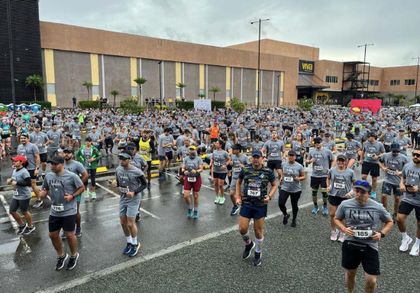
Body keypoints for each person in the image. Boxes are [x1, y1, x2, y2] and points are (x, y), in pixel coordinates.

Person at [334, 180, 393, 293]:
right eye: (357, 190)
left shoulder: (378, 207)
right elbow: (336, 219)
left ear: (369, 193)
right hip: (350, 244)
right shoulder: (345, 204)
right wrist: (344, 229)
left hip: (369, 245)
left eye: (362, 192)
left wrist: (382, 233)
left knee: (371, 280)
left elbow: (389, 221)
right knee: (350, 274)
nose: (359, 194)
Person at [39, 156, 85, 271]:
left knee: (69, 235)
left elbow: (81, 187)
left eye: (54, 164)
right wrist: (42, 192)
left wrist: (72, 196)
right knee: (52, 235)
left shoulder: (71, 176)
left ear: (61, 164)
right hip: (54, 210)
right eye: (51, 164)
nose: (52, 166)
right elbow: (44, 188)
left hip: (69, 210)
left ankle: (74, 255)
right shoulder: (49, 176)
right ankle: (61, 256)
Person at [235, 150, 277, 266]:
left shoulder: (268, 171)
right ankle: (249, 244)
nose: (256, 159)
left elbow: (274, 184)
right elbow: (238, 182)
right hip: (247, 203)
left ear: (262, 158)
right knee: (242, 229)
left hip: (260, 205)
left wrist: (270, 196)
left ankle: (258, 252)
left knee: (258, 231)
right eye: (254, 157)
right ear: (251, 158)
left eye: (258, 157)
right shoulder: (246, 169)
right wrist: (238, 196)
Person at [112, 151, 147, 257]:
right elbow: (119, 182)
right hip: (123, 197)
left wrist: (134, 192)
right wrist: (115, 183)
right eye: (120, 159)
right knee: (123, 222)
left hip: (134, 198)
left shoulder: (137, 171)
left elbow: (144, 184)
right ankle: (129, 242)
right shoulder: (118, 169)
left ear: (129, 160)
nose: (121, 161)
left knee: (130, 223)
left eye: (124, 159)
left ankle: (135, 243)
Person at [396, 147, 420, 256]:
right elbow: (403, 177)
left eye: (418, 155)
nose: (415, 157)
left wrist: (418, 189)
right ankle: (405, 238)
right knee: (399, 219)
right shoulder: (407, 165)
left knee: (419, 224)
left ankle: (417, 244)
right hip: (408, 198)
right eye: (414, 154)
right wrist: (401, 184)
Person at [327, 154, 356, 242]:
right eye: (339, 160)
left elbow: (355, 183)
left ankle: (342, 232)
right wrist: (328, 186)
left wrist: (352, 192)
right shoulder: (332, 170)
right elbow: (328, 178)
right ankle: (333, 231)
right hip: (333, 195)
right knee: (332, 214)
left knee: (342, 216)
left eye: (342, 161)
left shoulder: (350, 172)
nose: (340, 162)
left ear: (346, 162)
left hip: (344, 197)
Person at [379, 143, 409, 219]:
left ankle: (395, 213)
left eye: (397, 151)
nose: (395, 153)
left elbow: (409, 169)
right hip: (387, 179)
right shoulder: (386, 155)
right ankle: (385, 212)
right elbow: (379, 161)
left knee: (397, 198)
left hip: (398, 181)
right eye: (394, 151)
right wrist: (383, 167)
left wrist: (401, 172)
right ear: (391, 150)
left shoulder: (404, 158)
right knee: (383, 196)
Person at [63, 147, 89, 237]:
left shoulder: (77, 164)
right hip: (64, 191)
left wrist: (78, 186)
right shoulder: (61, 164)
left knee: (75, 211)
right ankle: (66, 228)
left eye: (68, 152)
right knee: (64, 211)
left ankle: (78, 228)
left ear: (72, 154)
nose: (66, 154)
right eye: (65, 152)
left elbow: (85, 175)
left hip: (75, 192)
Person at [7, 155, 36, 235]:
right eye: (13, 161)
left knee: (24, 212)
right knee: (12, 211)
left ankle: (31, 226)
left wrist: (17, 183)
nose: (13, 162)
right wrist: (10, 180)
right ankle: (22, 225)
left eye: (15, 161)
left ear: (21, 162)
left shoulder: (24, 172)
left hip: (24, 195)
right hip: (16, 194)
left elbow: (28, 183)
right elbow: (13, 179)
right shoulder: (15, 170)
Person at [306, 136, 335, 215]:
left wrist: (331, 168)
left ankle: (325, 206)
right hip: (314, 175)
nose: (317, 144)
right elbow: (307, 161)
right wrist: (309, 161)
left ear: (321, 143)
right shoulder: (311, 151)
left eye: (318, 143)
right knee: (314, 192)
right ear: (314, 144)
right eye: (315, 143)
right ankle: (315, 206)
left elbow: (333, 159)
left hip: (324, 176)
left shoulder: (327, 151)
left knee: (324, 192)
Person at [278, 150, 305, 227]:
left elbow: (303, 176)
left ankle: (294, 219)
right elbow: (283, 173)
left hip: (295, 189)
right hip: (284, 188)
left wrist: (298, 178)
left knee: (294, 205)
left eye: (292, 155)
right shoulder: (284, 164)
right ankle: (286, 214)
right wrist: (281, 178)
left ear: (295, 157)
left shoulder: (299, 166)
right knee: (281, 203)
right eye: (289, 155)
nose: (290, 157)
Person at [17, 133, 42, 209]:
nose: (23, 140)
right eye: (21, 138)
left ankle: (39, 199)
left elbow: (37, 157)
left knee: (33, 184)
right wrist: (16, 166)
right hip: (23, 169)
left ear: (28, 138)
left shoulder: (33, 146)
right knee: (22, 184)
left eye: (24, 138)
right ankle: (23, 199)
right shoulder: (19, 147)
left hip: (31, 168)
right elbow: (19, 157)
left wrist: (37, 168)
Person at [181, 146, 204, 219]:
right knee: (186, 196)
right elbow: (183, 168)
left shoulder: (199, 159)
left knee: (196, 196)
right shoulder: (186, 159)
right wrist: (184, 171)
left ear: (195, 150)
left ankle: (196, 211)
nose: (191, 151)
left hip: (196, 179)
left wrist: (197, 171)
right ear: (188, 151)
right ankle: (190, 208)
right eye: (190, 150)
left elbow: (201, 169)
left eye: (193, 150)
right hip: (188, 178)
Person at [360, 132, 385, 199]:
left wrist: (378, 156)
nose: (367, 138)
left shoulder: (379, 144)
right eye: (367, 137)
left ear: (373, 137)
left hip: (375, 163)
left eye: (369, 137)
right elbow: (363, 151)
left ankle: (373, 192)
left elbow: (383, 153)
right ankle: (366, 189)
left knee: (374, 179)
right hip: (366, 161)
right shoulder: (365, 143)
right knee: (363, 176)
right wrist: (361, 159)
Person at [76, 137, 100, 201]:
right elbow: (77, 155)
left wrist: (93, 159)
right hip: (85, 166)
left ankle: (93, 193)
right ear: (85, 142)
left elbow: (99, 155)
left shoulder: (94, 149)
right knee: (85, 179)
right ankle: (86, 192)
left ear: (91, 142)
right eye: (87, 141)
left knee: (93, 179)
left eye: (89, 141)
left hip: (92, 166)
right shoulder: (82, 148)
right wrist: (81, 161)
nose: (88, 143)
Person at [228, 144, 249, 216]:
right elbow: (232, 165)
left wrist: (243, 166)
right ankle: (235, 206)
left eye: (234, 149)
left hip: (242, 179)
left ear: (238, 150)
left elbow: (249, 169)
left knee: (242, 195)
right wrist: (231, 166)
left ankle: (243, 209)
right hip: (234, 177)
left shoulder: (244, 157)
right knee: (231, 194)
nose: (232, 150)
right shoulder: (233, 156)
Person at [210, 139, 231, 205]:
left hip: (222, 171)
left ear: (220, 145)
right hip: (215, 170)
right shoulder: (214, 152)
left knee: (221, 185)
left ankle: (222, 197)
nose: (215, 144)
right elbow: (212, 159)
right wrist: (211, 163)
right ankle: (217, 196)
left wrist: (225, 165)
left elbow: (229, 159)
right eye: (215, 143)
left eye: (217, 143)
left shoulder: (224, 152)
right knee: (215, 184)